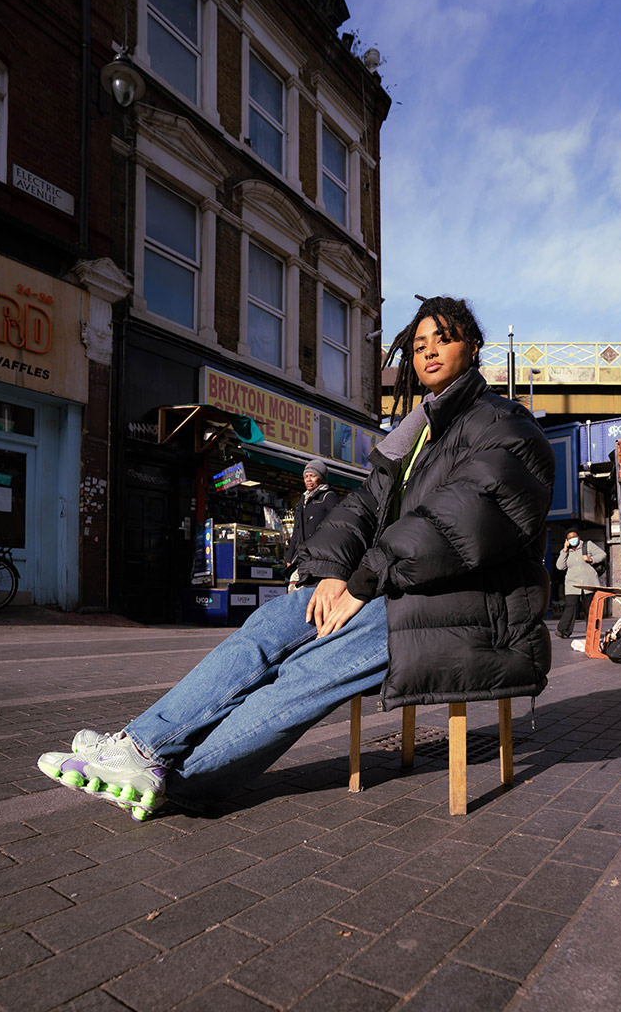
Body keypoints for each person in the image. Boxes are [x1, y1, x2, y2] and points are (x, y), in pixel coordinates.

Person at [37, 295, 556, 821]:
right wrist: (331, 573)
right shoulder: (416, 434)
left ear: (472, 346)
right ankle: (141, 747)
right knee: (274, 621)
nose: (427, 352)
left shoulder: (506, 426)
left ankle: (182, 777)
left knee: (312, 665)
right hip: (398, 586)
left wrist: (361, 583)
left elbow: (456, 520)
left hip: (472, 606)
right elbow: (362, 508)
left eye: (442, 339)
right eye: (417, 345)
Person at [285, 458, 339, 591]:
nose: (308, 480)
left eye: (313, 476)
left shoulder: (328, 497)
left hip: (320, 557)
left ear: (321, 478)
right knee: (293, 591)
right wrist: (289, 557)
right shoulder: (301, 502)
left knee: (311, 592)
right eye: (306, 477)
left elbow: (336, 528)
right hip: (301, 558)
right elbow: (296, 533)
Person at [555, 530, 606, 638]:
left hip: (589, 582)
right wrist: (564, 550)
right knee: (570, 606)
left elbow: (602, 554)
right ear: (567, 541)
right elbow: (560, 566)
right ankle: (563, 630)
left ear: (578, 537)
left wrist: (591, 559)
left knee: (591, 608)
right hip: (572, 584)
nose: (573, 539)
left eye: (574, 537)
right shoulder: (566, 552)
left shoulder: (587, 545)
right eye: (570, 538)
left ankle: (592, 632)